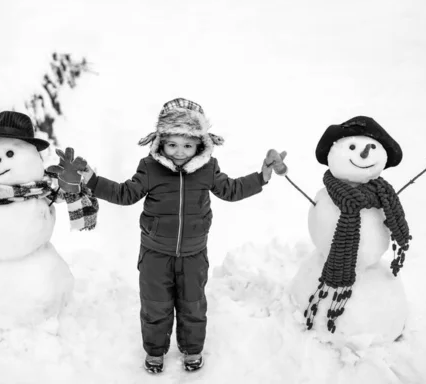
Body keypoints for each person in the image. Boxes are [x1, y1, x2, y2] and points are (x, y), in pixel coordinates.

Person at [76, 98, 286, 373]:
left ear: (200, 145)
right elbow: (124, 194)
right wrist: (91, 179)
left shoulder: (208, 169)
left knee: (192, 305)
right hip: (154, 254)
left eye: (187, 145)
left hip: (193, 254)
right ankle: (154, 351)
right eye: (172, 144)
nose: (179, 151)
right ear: (161, 141)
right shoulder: (150, 167)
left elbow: (231, 190)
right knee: (155, 305)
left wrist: (262, 176)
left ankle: (192, 349)